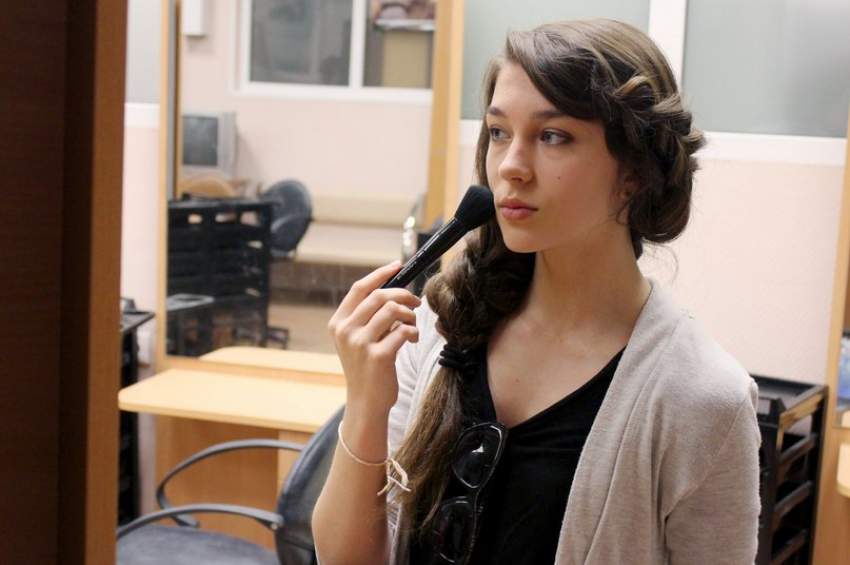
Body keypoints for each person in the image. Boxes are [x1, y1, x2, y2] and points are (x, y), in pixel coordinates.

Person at [312, 19, 761, 565]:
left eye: (552, 136)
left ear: (635, 172)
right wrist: (366, 404)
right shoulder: (437, 326)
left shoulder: (703, 398)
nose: (510, 167)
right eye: (499, 132)